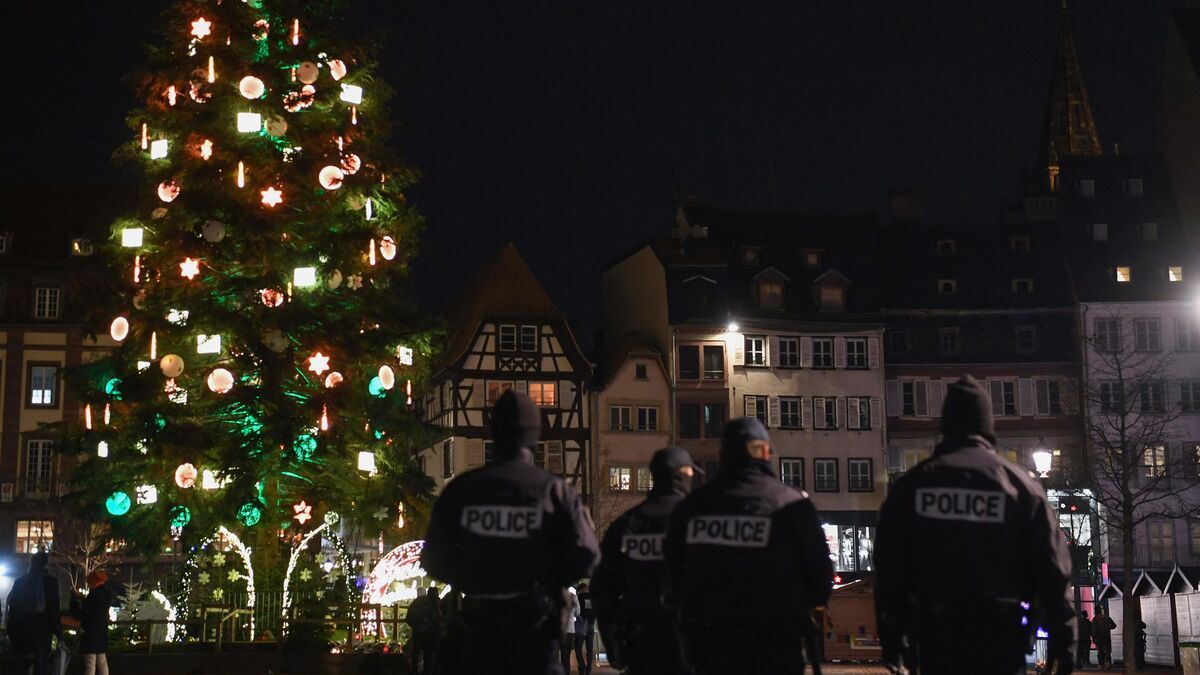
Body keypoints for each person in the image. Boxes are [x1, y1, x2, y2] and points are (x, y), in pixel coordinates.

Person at [875, 375, 1076, 675]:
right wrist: (1064, 642)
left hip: (936, 639)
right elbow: (1052, 572)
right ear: (987, 427)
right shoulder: (1021, 488)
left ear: (945, 426)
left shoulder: (913, 486)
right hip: (1002, 639)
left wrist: (892, 639)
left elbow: (889, 570)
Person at [422, 390, 600, 675]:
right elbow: (588, 556)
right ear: (536, 434)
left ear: (494, 430)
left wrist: (472, 577)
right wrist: (550, 577)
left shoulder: (463, 489)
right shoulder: (554, 491)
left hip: (476, 634)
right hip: (534, 635)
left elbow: (432, 559)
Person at [664, 418, 833, 675]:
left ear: (723, 455)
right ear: (765, 453)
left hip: (709, 645)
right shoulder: (790, 505)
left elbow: (673, 574)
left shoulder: (693, 507)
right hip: (774, 644)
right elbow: (820, 578)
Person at [593, 446, 699, 675]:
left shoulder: (626, 524)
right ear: (683, 475)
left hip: (640, 644)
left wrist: (613, 645)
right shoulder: (699, 523)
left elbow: (602, 590)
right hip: (693, 645)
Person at [6, 551, 62, 675]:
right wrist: (58, 632)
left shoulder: (20, 581)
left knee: (19, 663)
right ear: (45, 564)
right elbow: (54, 610)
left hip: (20, 629)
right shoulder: (50, 582)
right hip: (42, 630)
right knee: (40, 663)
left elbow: (13, 607)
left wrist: (10, 630)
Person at [78, 570, 115, 675]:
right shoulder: (107, 593)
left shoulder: (93, 595)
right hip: (102, 629)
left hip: (91, 630)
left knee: (90, 662)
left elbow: (86, 612)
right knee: (102, 659)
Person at [406, 586, 443, 675]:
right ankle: (426, 672)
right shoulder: (434, 603)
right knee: (428, 657)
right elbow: (437, 618)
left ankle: (413, 672)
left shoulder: (417, 602)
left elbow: (408, 618)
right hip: (429, 634)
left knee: (415, 655)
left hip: (417, 632)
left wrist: (415, 625)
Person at [574, 583, 595, 675]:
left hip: (581, 624)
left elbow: (576, 612)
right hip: (591, 625)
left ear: (580, 589)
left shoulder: (578, 597)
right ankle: (589, 669)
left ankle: (582, 668)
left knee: (578, 648)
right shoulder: (594, 598)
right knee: (589, 649)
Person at [560, 588, 579, 672]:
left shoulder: (556, 593)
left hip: (557, 629)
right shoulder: (572, 595)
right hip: (569, 629)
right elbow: (578, 612)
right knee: (566, 656)